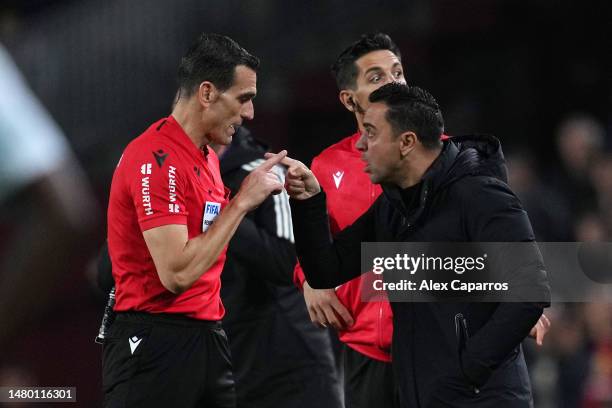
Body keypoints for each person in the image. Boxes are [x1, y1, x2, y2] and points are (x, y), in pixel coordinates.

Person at [294, 33, 550, 408]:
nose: (362, 147)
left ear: (408, 142)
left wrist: (469, 368)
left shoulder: (474, 186)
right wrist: (308, 202)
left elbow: (526, 289)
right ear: (349, 99)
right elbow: (326, 267)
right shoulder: (393, 203)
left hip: (471, 385)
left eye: (397, 71)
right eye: (378, 76)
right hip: (408, 370)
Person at [104, 33, 287, 408]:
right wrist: (241, 204)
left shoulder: (207, 159)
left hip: (208, 338)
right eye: (243, 99)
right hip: (154, 345)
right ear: (207, 93)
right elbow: (177, 275)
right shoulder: (155, 160)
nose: (250, 114)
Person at [215, 126, 342, 407]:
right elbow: (106, 273)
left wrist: (220, 211)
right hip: (228, 365)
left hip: (289, 365)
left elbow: (290, 263)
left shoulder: (264, 171)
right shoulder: (172, 180)